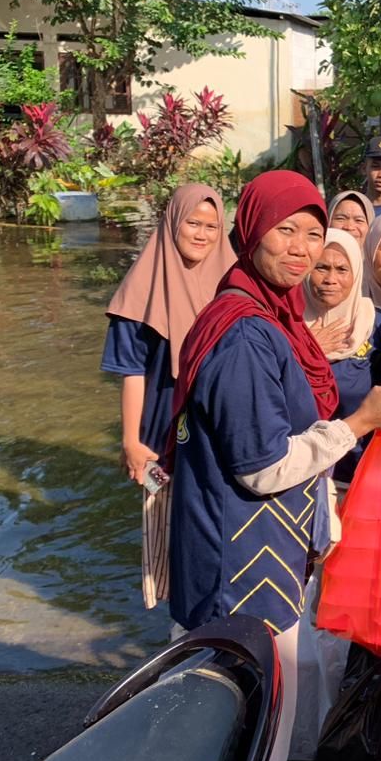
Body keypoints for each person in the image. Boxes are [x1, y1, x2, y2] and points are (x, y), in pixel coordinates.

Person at [167, 171, 381, 761]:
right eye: (286, 230)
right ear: (250, 232)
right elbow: (262, 466)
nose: (301, 248)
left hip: (263, 555)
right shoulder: (247, 334)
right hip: (238, 566)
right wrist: (358, 424)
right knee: (240, 729)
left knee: (256, 723)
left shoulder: (268, 316)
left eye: (312, 233)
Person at [100, 184, 236, 609]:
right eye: (192, 223)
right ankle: (180, 621)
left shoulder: (231, 282)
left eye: (212, 226)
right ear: (172, 222)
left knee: (221, 532)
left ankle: (224, 615)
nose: (202, 234)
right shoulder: (142, 288)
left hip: (222, 434)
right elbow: (132, 371)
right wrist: (130, 441)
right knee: (167, 533)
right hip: (163, 439)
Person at [304, 228, 381, 487]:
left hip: (359, 473)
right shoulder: (286, 324)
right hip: (300, 471)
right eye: (321, 267)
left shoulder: (376, 325)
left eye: (342, 270)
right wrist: (307, 352)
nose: (330, 279)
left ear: (356, 274)